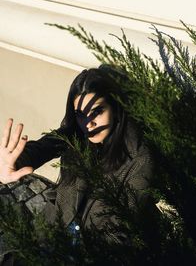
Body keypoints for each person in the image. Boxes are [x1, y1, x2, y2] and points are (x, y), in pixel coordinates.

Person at [0, 65, 154, 248]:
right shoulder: (78, 135)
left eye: (96, 112)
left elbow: (117, 233)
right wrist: (17, 161)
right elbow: (46, 145)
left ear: (115, 107)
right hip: (56, 230)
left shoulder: (139, 159)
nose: (88, 124)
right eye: (81, 115)